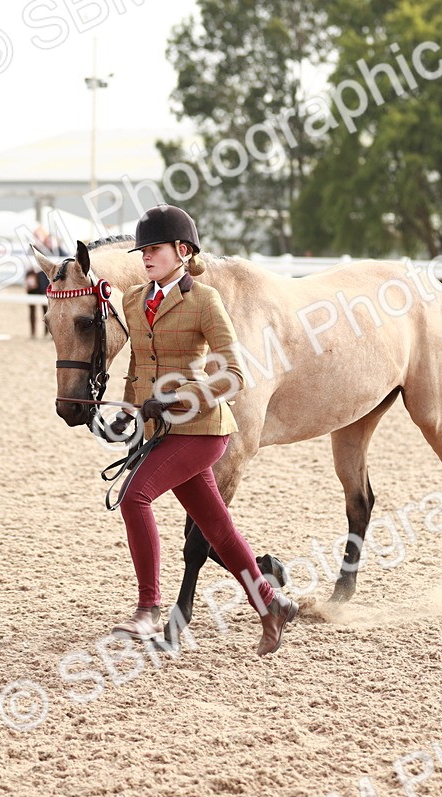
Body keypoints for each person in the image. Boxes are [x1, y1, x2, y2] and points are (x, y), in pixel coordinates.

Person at [106, 204, 297, 656]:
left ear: (182, 250)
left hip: (203, 428)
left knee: (135, 497)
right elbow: (139, 365)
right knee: (218, 529)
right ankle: (273, 604)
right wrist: (132, 410)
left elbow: (233, 375)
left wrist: (173, 399)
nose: (145, 257)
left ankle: (148, 609)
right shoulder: (135, 300)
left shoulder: (205, 301)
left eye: (154, 249)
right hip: (163, 430)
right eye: (143, 249)